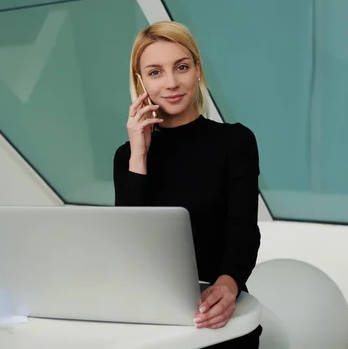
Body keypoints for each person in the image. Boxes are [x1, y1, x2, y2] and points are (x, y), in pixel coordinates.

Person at [112, 21, 262, 348]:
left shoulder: (235, 141)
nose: (171, 82)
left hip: (216, 305)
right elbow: (129, 243)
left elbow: (243, 228)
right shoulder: (127, 154)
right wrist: (139, 154)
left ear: (197, 70)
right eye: (155, 72)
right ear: (140, 82)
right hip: (151, 313)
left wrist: (227, 285)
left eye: (181, 67)